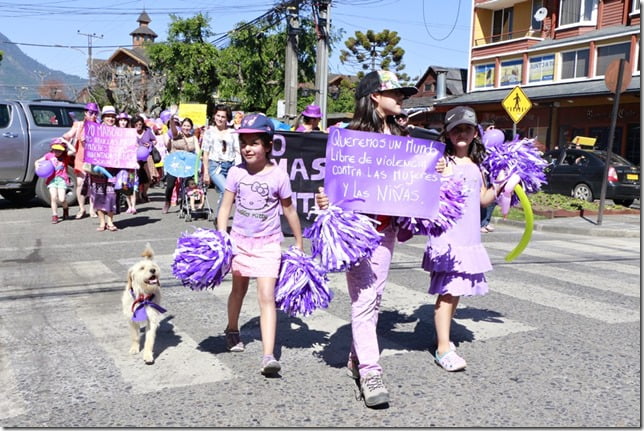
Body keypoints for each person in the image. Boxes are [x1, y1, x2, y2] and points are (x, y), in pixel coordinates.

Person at [315, 70, 421, 407]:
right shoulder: (347, 136)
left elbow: (412, 181)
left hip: (386, 231)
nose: (402, 98)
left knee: (373, 299)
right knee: (363, 301)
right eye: (396, 93)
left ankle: (357, 358)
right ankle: (371, 372)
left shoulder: (403, 137)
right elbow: (331, 184)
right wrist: (325, 200)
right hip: (354, 233)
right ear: (375, 95)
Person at [216, 113, 303, 377]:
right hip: (240, 243)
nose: (248, 148)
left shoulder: (279, 176)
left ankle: (268, 355)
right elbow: (225, 207)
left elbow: (290, 211)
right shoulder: (235, 172)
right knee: (238, 291)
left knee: (267, 297)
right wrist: (222, 236)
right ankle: (232, 329)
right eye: (244, 143)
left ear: (268, 145)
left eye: (254, 142)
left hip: (268, 245)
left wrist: (299, 242)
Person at [422, 106, 497, 372]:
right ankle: (443, 348)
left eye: (466, 128)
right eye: (456, 129)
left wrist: (502, 184)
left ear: (476, 133)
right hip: (447, 238)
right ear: (448, 134)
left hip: (469, 238)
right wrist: (435, 171)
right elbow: (426, 189)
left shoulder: (479, 166)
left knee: (455, 293)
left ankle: (444, 338)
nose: (461, 133)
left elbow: (483, 200)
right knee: (448, 291)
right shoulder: (443, 161)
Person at [62, 102, 99, 219]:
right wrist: (62, 141)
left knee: (93, 184)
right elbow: (68, 135)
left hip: (94, 158)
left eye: (95, 113)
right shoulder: (79, 125)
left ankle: (92, 208)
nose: (93, 115)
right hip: (81, 158)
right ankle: (81, 208)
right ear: (85, 113)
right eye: (90, 112)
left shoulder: (99, 127)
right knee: (80, 183)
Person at [202, 104, 240, 212]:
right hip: (215, 166)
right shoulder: (209, 132)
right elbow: (205, 153)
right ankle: (220, 219)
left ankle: (219, 219)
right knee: (227, 191)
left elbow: (237, 151)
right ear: (214, 116)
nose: (220, 119)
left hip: (231, 165)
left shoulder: (233, 133)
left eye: (223, 117)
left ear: (227, 118)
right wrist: (206, 173)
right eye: (218, 116)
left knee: (228, 194)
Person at [164, 117, 200, 213]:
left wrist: (199, 160)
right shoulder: (177, 135)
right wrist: (171, 120)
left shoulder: (194, 138)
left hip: (187, 164)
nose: (186, 128)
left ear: (191, 127)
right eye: (184, 125)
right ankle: (167, 202)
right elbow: (173, 129)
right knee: (170, 185)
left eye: (188, 126)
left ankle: (183, 203)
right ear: (181, 126)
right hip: (174, 162)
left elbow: (197, 150)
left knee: (187, 184)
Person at [35, 138, 72, 223]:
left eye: (60, 150)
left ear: (63, 150)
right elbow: (38, 161)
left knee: (62, 199)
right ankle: (54, 215)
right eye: (55, 149)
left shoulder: (65, 156)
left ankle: (65, 209)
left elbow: (73, 150)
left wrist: (66, 142)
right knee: (53, 198)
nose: (57, 152)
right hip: (52, 180)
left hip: (62, 179)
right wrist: (37, 165)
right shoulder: (49, 155)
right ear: (52, 148)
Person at [132, 115, 158, 204]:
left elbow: (155, 140)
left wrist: (150, 144)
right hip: (134, 158)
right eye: (136, 124)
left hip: (147, 157)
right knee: (136, 178)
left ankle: (144, 193)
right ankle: (137, 195)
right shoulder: (130, 132)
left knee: (148, 178)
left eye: (140, 124)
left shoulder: (147, 131)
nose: (138, 126)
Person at [479, 120, 497, 233]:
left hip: (492, 173)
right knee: (482, 200)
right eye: (491, 128)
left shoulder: (495, 143)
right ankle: (480, 223)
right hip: (482, 174)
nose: (494, 130)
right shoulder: (480, 144)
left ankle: (486, 221)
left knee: (492, 200)